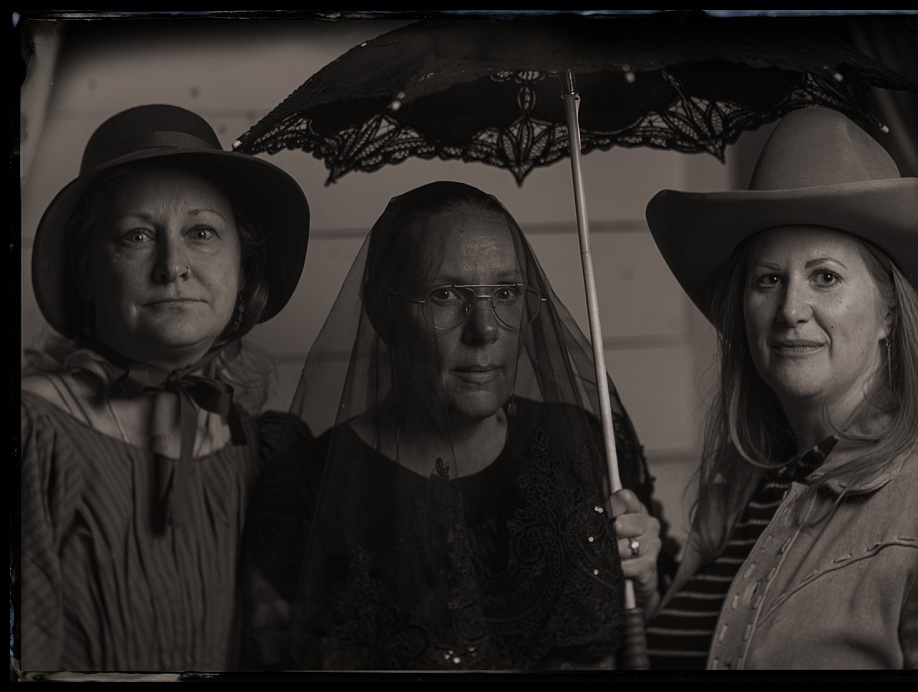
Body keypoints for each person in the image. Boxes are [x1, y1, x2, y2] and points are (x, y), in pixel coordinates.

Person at [243, 181, 679, 670]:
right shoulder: (307, 489)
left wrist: (644, 586)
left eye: (506, 292)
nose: (485, 329)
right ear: (382, 311)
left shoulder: (580, 442)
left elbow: (654, 638)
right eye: (446, 294)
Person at [635, 107, 918, 669]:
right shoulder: (738, 494)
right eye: (768, 279)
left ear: (889, 314)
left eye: (825, 276)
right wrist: (649, 599)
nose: (790, 310)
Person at [17, 104, 311, 672]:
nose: (172, 265)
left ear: (243, 270)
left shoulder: (265, 450)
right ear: (85, 273)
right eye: (136, 236)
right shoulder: (34, 435)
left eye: (201, 232)